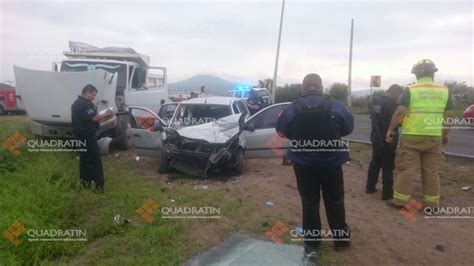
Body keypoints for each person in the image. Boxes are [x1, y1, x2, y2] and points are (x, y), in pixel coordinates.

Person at [276, 73, 354, 263]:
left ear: (303, 88)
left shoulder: (292, 108)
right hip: (331, 163)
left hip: (304, 165)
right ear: (320, 87)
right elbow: (348, 128)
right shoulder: (336, 106)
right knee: (335, 200)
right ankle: (341, 240)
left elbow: (281, 131)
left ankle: (312, 243)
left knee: (309, 202)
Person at [386, 59, 453, 208]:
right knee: (431, 171)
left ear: (416, 74)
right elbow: (448, 116)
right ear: (433, 73)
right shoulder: (444, 91)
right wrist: (445, 134)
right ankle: (431, 205)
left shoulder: (411, 90)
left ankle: (400, 201)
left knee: (408, 169)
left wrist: (390, 130)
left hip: (411, 136)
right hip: (434, 137)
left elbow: (400, 112)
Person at [71, 84, 113, 191]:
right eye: (93, 95)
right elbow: (94, 118)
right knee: (95, 160)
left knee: (85, 160)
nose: (94, 97)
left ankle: (85, 183)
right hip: (87, 136)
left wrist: (101, 116)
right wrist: (106, 113)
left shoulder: (80, 103)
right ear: (88, 92)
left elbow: (91, 119)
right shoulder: (82, 104)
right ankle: (98, 186)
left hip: (82, 135)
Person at [365, 84, 403, 200]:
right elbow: (399, 121)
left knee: (375, 162)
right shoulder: (393, 105)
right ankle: (387, 194)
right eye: (399, 95)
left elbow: (373, 117)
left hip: (375, 136)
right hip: (388, 137)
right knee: (388, 165)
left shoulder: (375, 101)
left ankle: (370, 187)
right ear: (395, 93)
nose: (399, 98)